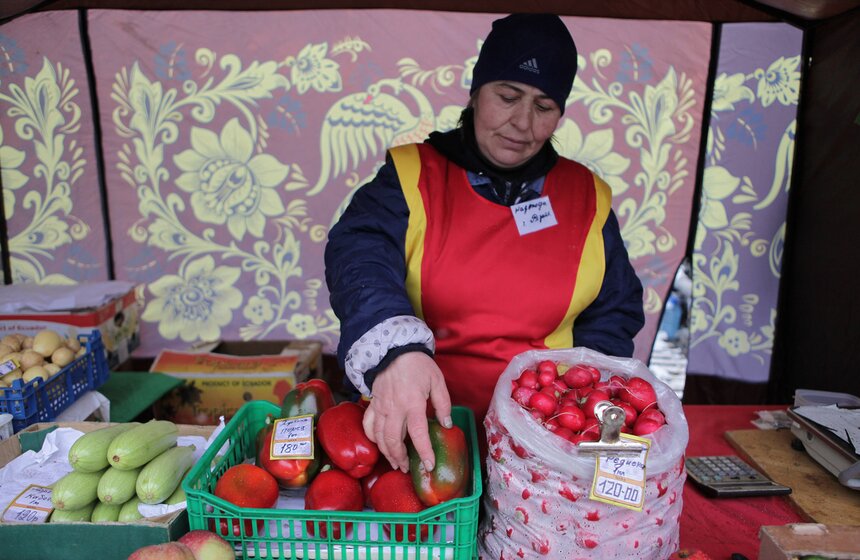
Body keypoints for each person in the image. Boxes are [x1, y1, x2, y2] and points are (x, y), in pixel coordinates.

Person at [325, 13, 644, 474]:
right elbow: (360, 256)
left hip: (539, 442)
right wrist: (396, 353)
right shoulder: (412, 177)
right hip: (423, 426)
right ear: (476, 92)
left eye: (544, 105)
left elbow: (614, 309)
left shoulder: (587, 196)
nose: (522, 123)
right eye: (508, 96)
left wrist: (573, 398)